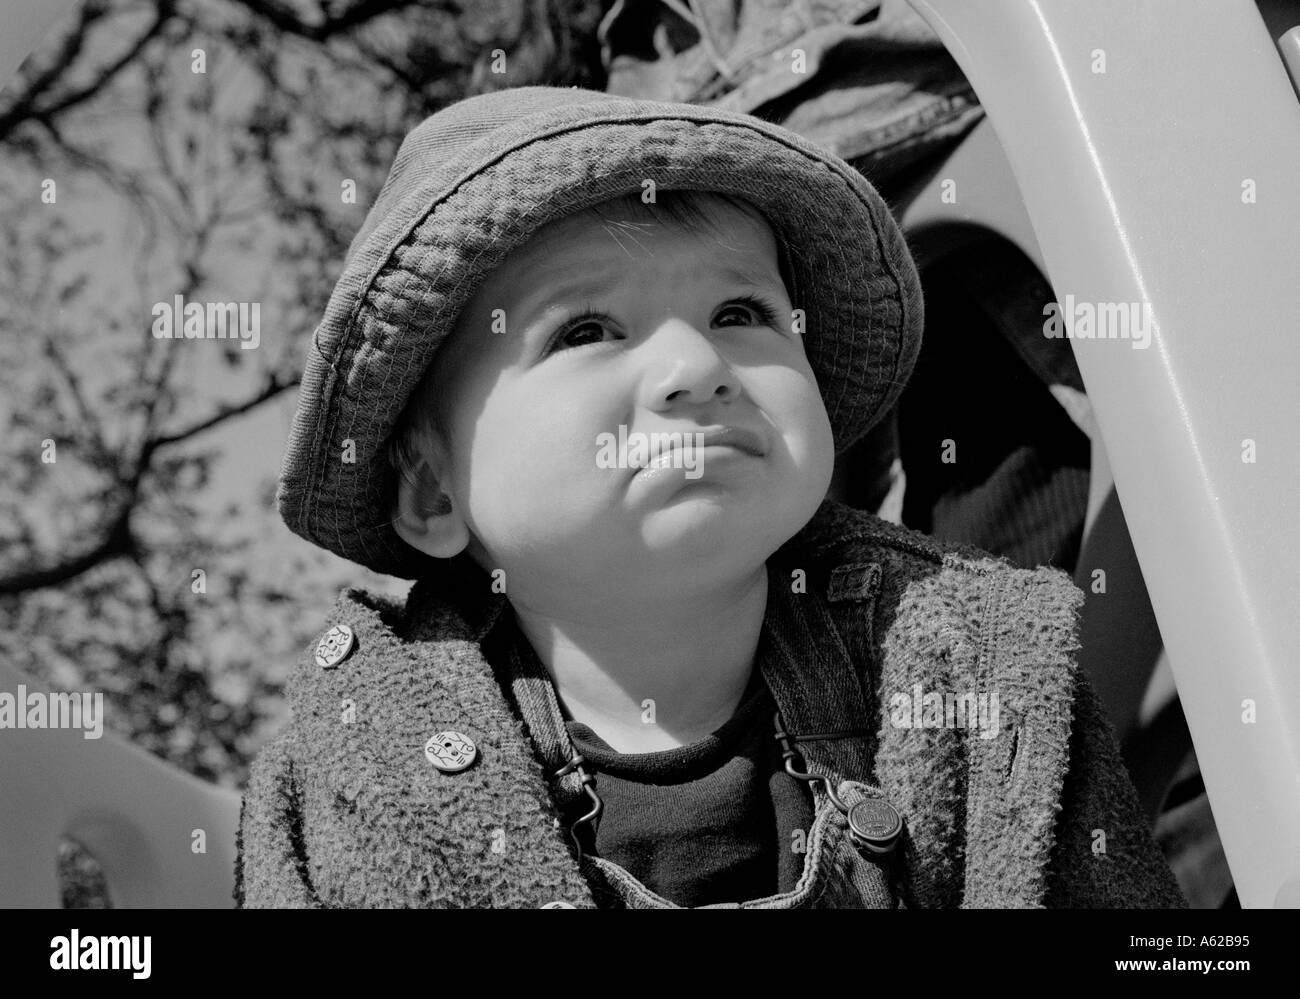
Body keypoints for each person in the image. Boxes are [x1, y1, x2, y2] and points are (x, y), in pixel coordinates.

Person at [235, 85, 1185, 909]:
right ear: (435, 491)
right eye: (586, 330)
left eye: (741, 314)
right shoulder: (375, 763)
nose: (696, 366)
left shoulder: (962, 666)